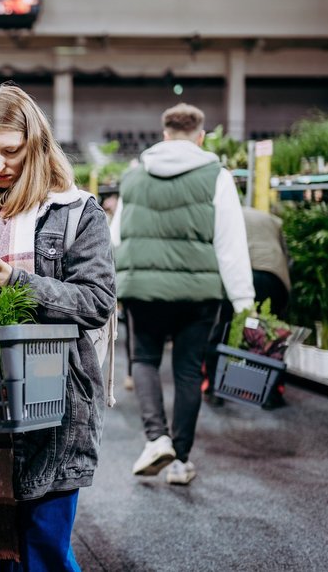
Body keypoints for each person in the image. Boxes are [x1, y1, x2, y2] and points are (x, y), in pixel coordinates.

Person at [0, 83, 116, 570]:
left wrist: (16, 280)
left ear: (35, 143)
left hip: (54, 408)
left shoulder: (77, 212)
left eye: (10, 151)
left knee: (44, 554)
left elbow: (97, 302)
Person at [110, 103, 255, 486]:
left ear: (164, 135)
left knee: (143, 360)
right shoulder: (216, 177)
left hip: (143, 291)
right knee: (188, 371)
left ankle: (156, 438)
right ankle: (180, 461)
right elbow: (230, 243)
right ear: (200, 136)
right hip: (197, 294)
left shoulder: (134, 176)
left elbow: (115, 238)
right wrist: (243, 302)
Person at [203, 204, 292, 406]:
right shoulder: (273, 220)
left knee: (224, 329)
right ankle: (271, 395)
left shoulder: (228, 215)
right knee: (272, 335)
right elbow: (285, 255)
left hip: (241, 274)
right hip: (273, 275)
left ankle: (213, 388)